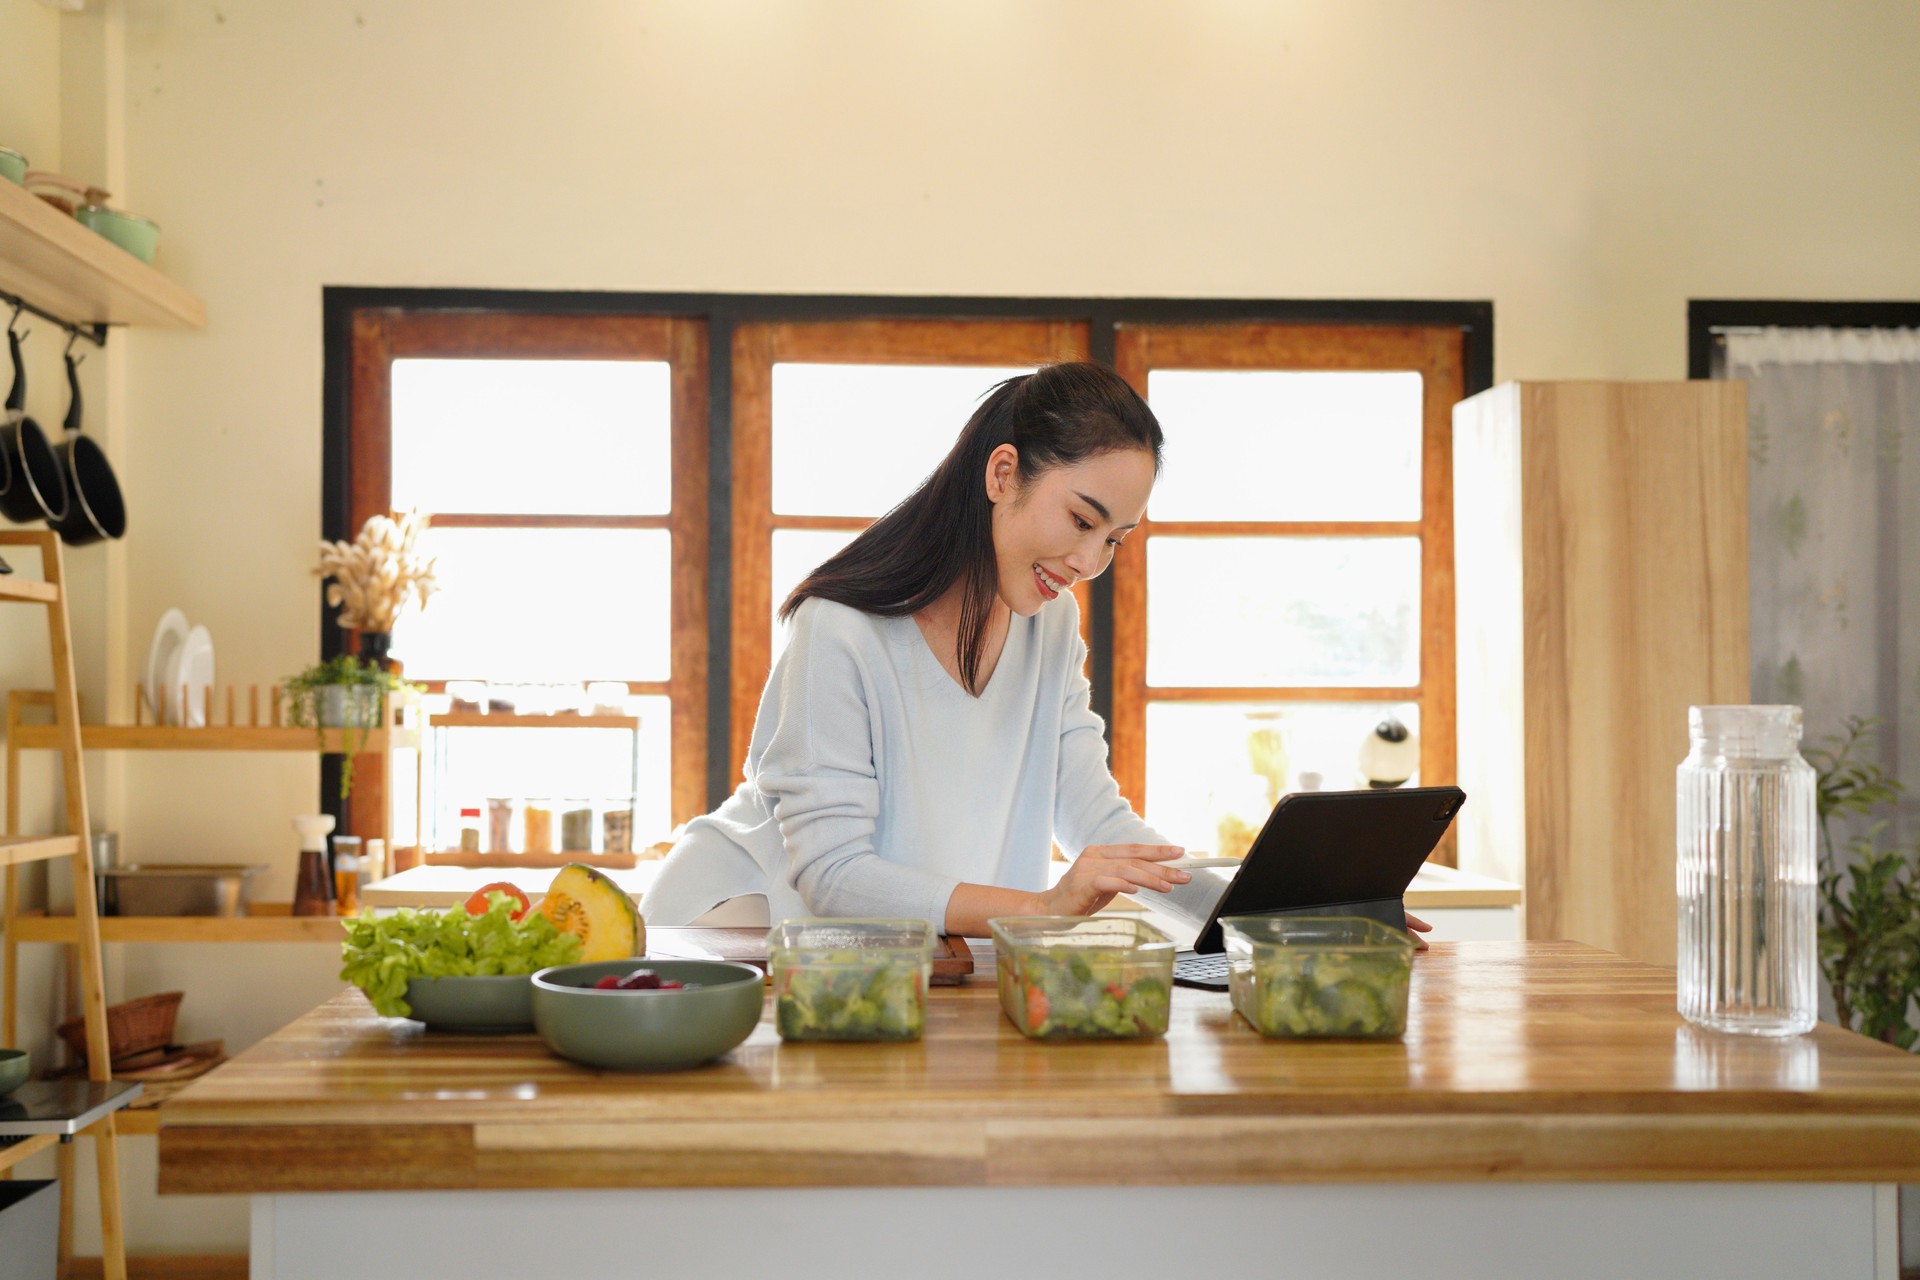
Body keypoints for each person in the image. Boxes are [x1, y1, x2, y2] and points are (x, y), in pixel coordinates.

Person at [642, 361, 1194, 934]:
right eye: (1081, 520)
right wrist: (1045, 908)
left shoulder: (1051, 626)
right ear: (1003, 474)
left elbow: (1093, 812)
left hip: (887, 955)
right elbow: (833, 873)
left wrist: (1231, 903)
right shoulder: (839, 627)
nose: (1088, 563)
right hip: (731, 924)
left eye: (1114, 541)